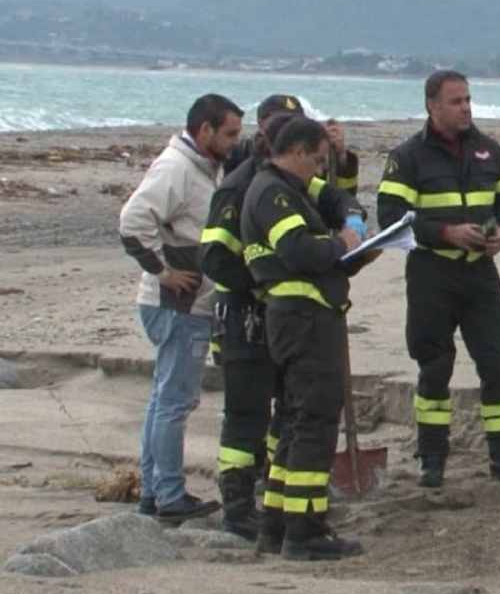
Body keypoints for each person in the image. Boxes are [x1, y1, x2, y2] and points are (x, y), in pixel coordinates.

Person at [200, 107, 365, 541]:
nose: (319, 169)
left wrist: (353, 223)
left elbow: (335, 198)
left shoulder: (289, 184)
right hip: (273, 315)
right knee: (291, 418)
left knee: (292, 419)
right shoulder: (262, 190)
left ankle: (276, 519)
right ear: (291, 149)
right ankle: (284, 523)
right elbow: (287, 251)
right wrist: (339, 246)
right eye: (316, 158)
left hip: (289, 313)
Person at [377, 71, 500, 490]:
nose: (466, 107)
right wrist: (445, 233)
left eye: (468, 99)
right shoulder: (407, 157)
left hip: (479, 273)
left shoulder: (488, 150)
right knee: (434, 368)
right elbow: (390, 220)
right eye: (456, 101)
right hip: (431, 275)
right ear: (432, 106)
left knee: (498, 366)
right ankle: (432, 459)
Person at [118, 93, 243, 522]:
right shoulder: (177, 168)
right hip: (177, 304)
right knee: (175, 401)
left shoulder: (202, 167)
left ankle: (155, 492)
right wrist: (163, 272)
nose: (233, 143)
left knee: (164, 399)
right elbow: (132, 222)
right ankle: (169, 496)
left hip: (184, 303)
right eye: (228, 134)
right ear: (204, 130)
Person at [226, 94, 360, 195]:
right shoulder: (239, 154)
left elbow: (341, 196)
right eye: (282, 122)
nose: (288, 129)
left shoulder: (306, 157)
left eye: (294, 123)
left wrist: (341, 159)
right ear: (261, 124)